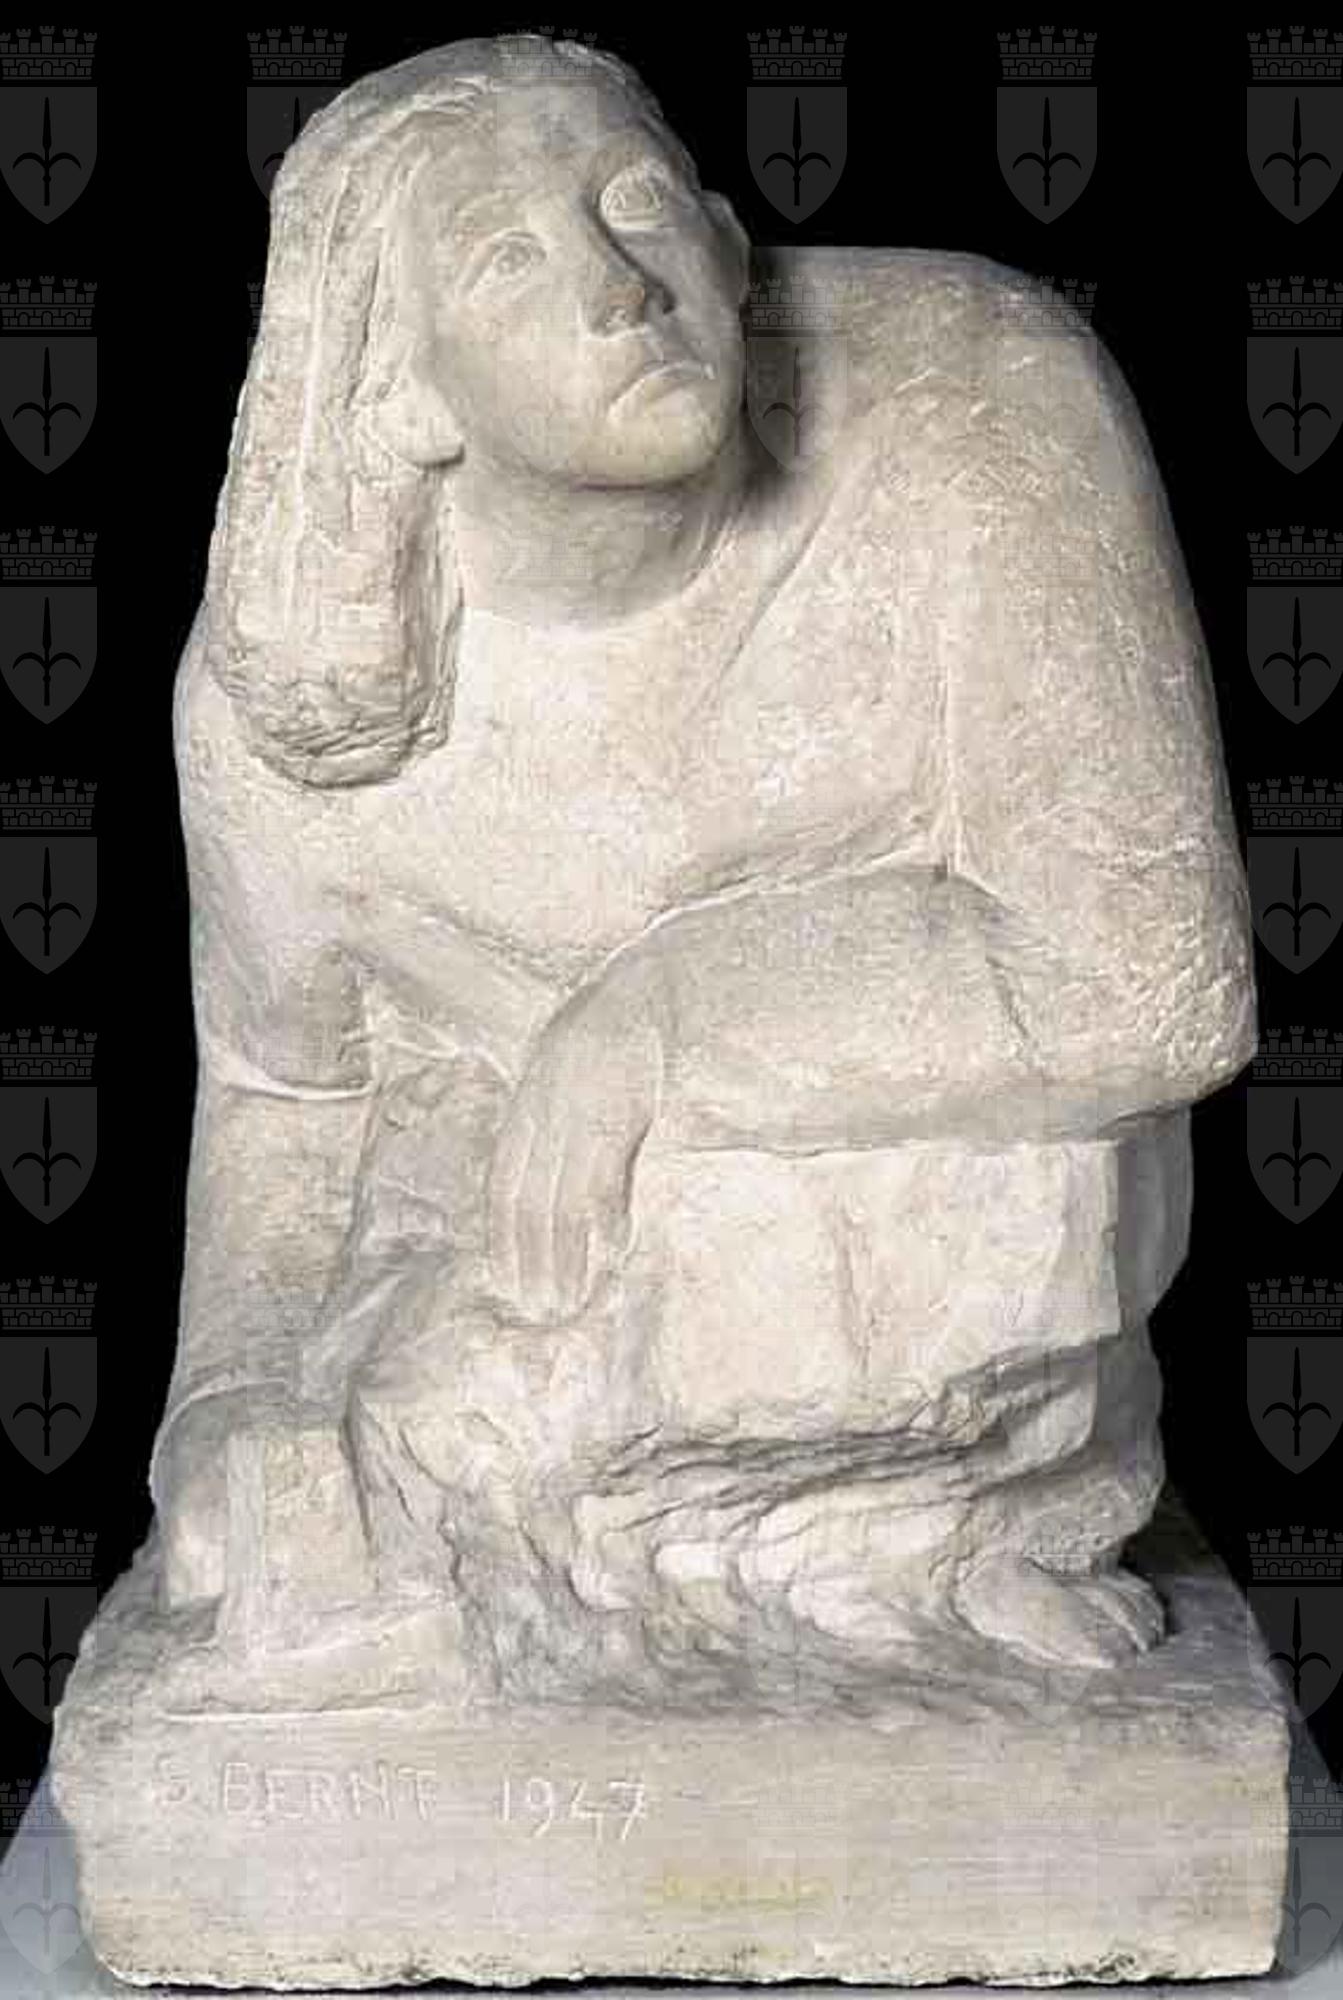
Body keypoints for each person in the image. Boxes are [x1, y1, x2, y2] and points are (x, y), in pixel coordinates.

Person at [150, 34, 1255, 1697]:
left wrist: (668, 1015)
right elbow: (289, 1097)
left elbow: (1160, 982)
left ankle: (897, 1545)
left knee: (1012, 1194)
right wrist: (228, 1402)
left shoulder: (978, 399)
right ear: (398, 389)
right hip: (491, 1236)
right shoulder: (305, 698)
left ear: (731, 242)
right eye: (508, 259)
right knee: (395, 1418)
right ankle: (546, 1545)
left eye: (638, 200)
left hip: (903, 1210)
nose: (620, 289)